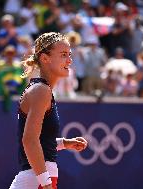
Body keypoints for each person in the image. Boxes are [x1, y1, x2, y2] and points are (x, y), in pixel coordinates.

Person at [9, 32, 88, 189]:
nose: (70, 60)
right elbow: (29, 140)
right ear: (45, 58)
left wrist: (64, 143)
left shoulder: (41, 90)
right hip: (37, 181)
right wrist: (46, 184)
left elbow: (39, 140)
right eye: (64, 55)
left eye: (70, 55)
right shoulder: (41, 91)